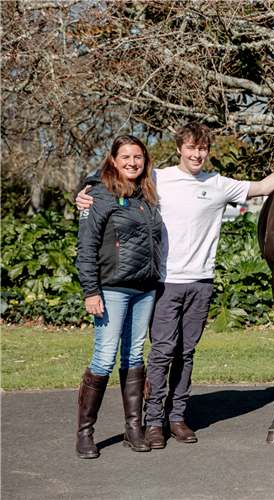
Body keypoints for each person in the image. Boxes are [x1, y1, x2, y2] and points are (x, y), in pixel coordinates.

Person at [76, 123, 274, 448]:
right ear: (179, 148)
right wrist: (84, 190)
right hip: (162, 282)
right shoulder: (158, 178)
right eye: (191, 148)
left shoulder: (218, 184)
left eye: (203, 149)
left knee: (184, 353)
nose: (197, 154)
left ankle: (176, 417)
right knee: (159, 352)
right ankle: (151, 423)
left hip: (200, 282)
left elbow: (263, 187)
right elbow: (116, 176)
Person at [75, 135, 163, 458]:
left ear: (144, 160)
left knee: (134, 356)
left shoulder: (147, 194)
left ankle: (133, 429)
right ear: (113, 159)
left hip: (145, 289)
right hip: (111, 290)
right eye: (125, 156)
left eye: (137, 157)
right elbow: (85, 247)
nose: (132, 162)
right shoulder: (99, 194)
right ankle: (85, 433)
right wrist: (90, 291)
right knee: (104, 357)